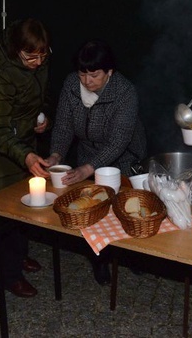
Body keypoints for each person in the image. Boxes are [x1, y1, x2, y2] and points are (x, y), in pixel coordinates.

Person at [45, 39, 147, 284]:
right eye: (83, 74)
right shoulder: (71, 85)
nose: (87, 81)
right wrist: (56, 155)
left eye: (94, 75)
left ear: (109, 71)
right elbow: (63, 126)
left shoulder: (125, 92)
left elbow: (119, 140)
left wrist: (88, 168)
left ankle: (133, 256)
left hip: (124, 156)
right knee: (93, 208)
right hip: (87, 153)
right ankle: (99, 259)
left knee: (125, 208)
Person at [0, 18, 52, 298]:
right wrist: (26, 154)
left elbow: (35, 99)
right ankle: (9, 275)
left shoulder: (38, 61)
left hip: (22, 142)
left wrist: (41, 120)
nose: (38, 62)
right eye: (31, 56)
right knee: (4, 214)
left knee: (24, 206)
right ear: (16, 49)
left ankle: (19, 257)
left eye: (43, 54)